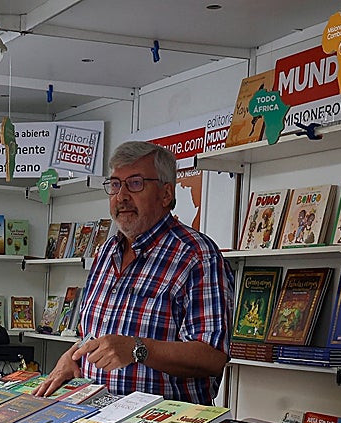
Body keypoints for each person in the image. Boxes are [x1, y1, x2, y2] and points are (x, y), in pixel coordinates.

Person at [34, 140, 233, 404]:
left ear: (166, 194)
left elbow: (213, 357)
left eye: (136, 183)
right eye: (115, 184)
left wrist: (138, 349)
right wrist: (71, 358)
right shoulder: (105, 252)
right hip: (95, 419)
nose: (122, 195)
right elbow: (96, 336)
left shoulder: (196, 255)